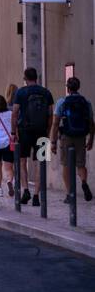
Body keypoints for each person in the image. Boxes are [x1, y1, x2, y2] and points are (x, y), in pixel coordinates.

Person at [11, 67, 53, 207]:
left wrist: (13, 132)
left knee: (22, 161)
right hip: (42, 132)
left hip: (24, 131)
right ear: (37, 77)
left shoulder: (20, 92)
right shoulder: (46, 92)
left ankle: (26, 190)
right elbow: (50, 114)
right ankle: (36, 196)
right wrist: (48, 131)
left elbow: (15, 113)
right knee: (40, 163)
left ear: (25, 78)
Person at [51, 76, 94, 205]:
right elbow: (91, 123)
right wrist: (91, 139)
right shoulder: (86, 102)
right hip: (81, 136)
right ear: (78, 87)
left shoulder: (62, 102)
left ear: (68, 88)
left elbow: (55, 123)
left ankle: (70, 193)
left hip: (66, 136)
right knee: (81, 164)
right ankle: (84, 182)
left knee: (66, 164)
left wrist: (53, 141)